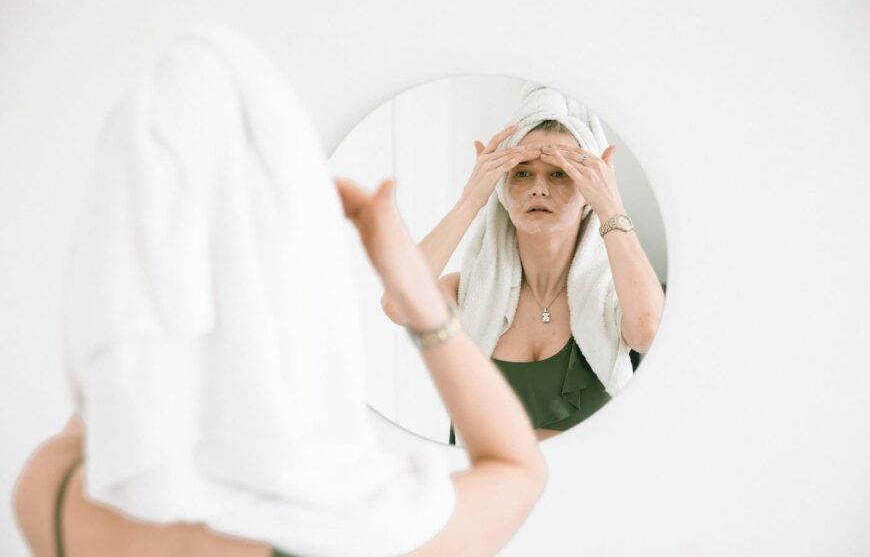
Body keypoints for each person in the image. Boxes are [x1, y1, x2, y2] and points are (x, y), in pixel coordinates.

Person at [12, 177, 548, 557]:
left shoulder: (54, 492)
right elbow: (518, 468)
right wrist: (414, 291)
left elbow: (107, 373)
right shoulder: (363, 528)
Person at [382, 109, 666, 444]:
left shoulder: (611, 296)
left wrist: (611, 207)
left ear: (589, 191)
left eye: (560, 174)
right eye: (521, 173)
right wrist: (472, 199)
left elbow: (649, 332)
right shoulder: (467, 295)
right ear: (501, 188)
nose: (539, 189)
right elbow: (397, 304)